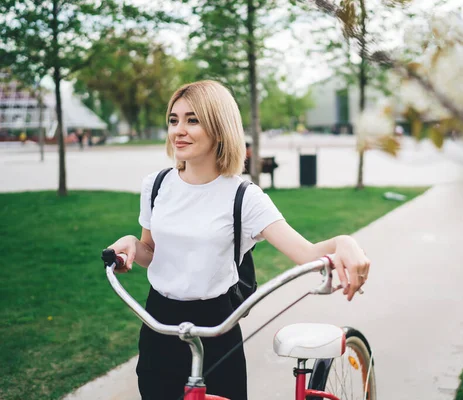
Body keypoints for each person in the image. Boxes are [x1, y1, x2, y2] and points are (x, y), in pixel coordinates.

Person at [107, 80, 370, 400]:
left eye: (193, 120)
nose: (178, 130)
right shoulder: (157, 184)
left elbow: (307, 253)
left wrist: (346, 242)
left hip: (216, 328)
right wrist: (135, 246)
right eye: (173, 120)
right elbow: (152, 251)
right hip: (158, 324)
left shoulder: (244, 197)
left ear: (219, 128)